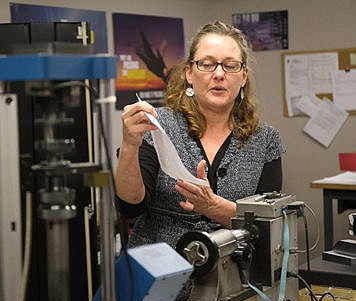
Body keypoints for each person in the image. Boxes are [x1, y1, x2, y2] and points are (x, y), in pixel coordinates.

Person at [115, 19, 284, 278]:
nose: (218, 74)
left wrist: (212, 206)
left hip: (232, 284)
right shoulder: (157, 126)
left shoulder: (265, 140)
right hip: (155, 281)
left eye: (230, 65)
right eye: (207, 64)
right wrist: (129, 145)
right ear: (189, 74)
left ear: (243, 77)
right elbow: (130, 207)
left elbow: (266, 225)